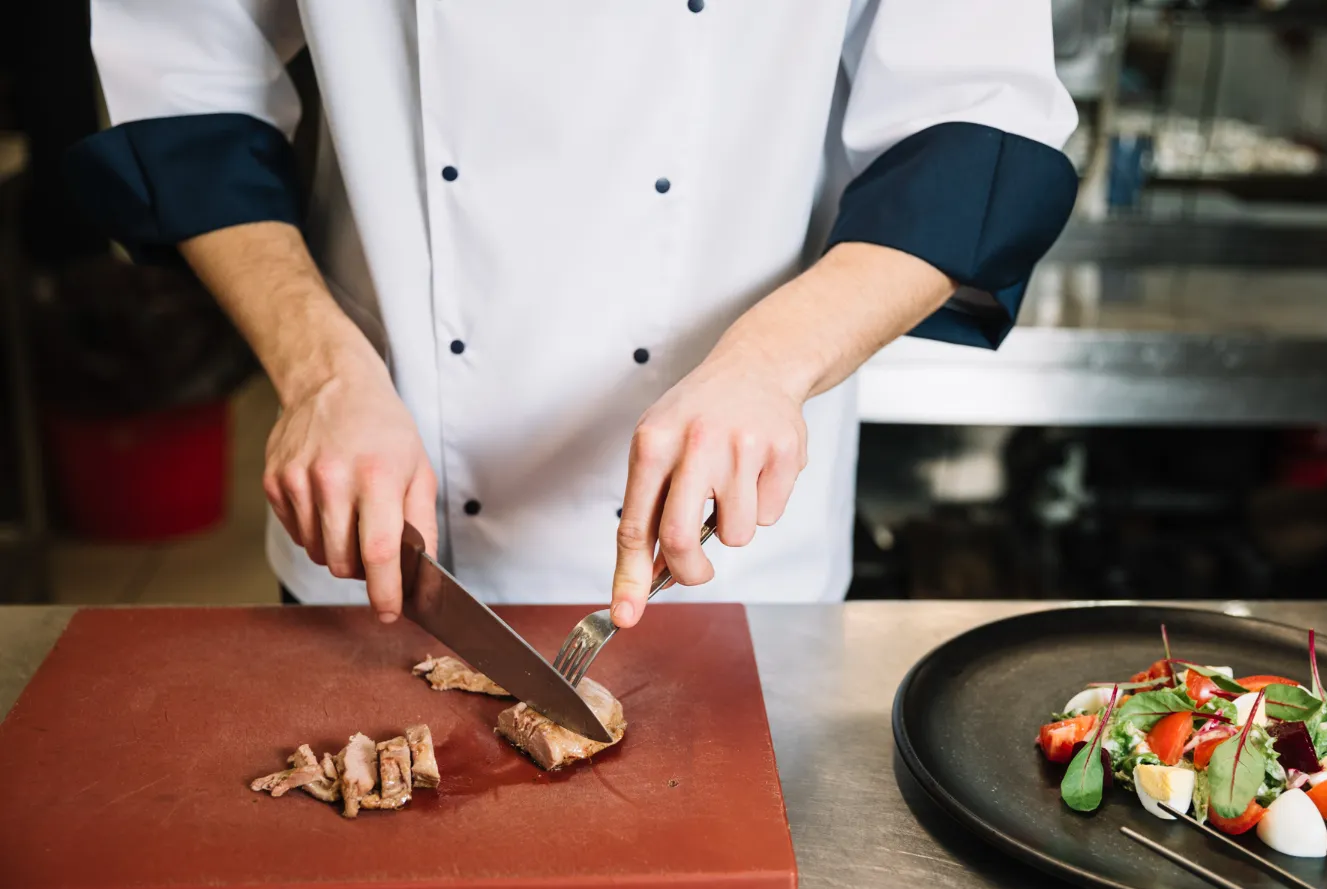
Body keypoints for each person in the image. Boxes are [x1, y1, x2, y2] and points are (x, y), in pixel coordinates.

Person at [68, 2, 1078, 628]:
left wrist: (771, 365)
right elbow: (186, 83)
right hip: (383, 509)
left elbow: (973, 129)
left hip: (731, 547)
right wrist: (320, 373)